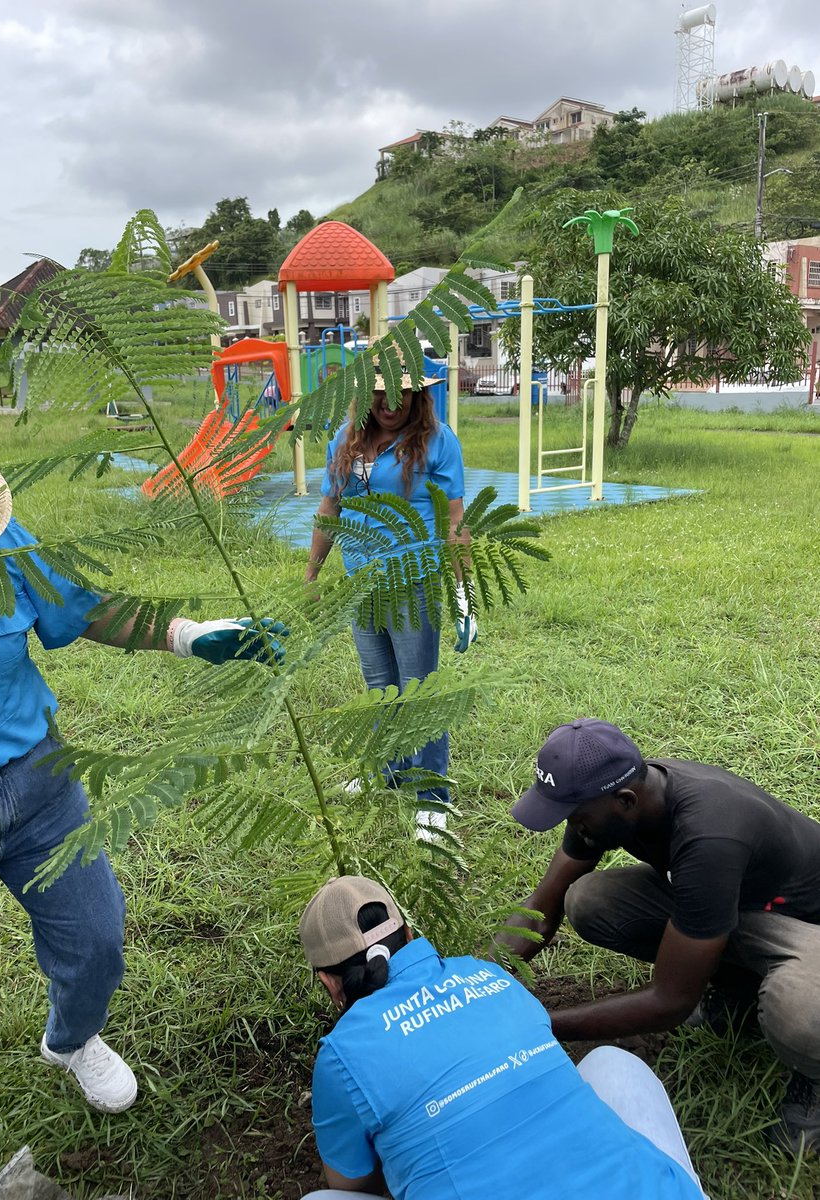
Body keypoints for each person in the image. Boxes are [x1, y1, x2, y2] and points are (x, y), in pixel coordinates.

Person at [0, 409, 287, 1200]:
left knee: (97, 938)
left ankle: (73, 1038)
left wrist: (189, 635)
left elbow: (82, 606)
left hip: (40, 777)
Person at [503, 717, 820, 1157]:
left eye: (575, 818)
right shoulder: (614, 796)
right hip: (731, 903)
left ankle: (814, 1072)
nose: (573, 829)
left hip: (802, 924)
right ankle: (736, 989)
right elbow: (542, 907)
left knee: (802, 1014)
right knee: (589, 901)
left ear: (625, 802)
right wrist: (476, 982)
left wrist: (536, 1027)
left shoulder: (710, 833)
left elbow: (670, 1001)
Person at [298, 874, 706, 1200]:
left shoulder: (342, 1055)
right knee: (611, 1064)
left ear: (330, 984)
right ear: (408, 936)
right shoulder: (488, 974)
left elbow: (355, 1184)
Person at [305, 352, 476, 840]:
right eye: (381, 391)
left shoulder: (438, 443)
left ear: (420, 395)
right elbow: (330, 506)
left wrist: (463, 595)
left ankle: (432, 796)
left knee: (420, 688)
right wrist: (312, 575)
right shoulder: (346, 440)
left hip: (412, 584)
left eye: (403, 393)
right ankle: (390, 769)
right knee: (381, 685)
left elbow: (455, 521)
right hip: (361, 584)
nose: (391, 403)